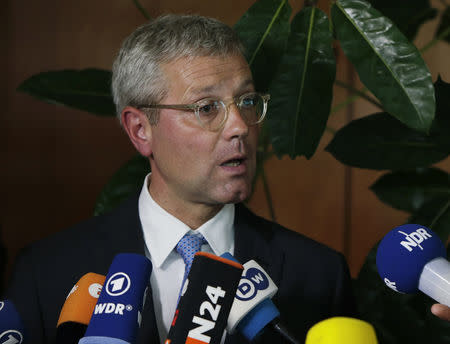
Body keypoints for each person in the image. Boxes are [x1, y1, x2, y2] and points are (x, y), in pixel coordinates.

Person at [5, 14, 357, 344]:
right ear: (140, 130)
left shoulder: (318, 275)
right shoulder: (47, 272)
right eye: (206, 108)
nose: (239, 127)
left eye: (247, 101)